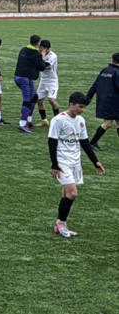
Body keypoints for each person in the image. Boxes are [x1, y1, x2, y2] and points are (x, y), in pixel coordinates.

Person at [48, 92, 105, 238]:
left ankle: (59, 225)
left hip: (75, 161)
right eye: (80, 107)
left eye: (84, 107)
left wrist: (95, 161)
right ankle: (61, 222)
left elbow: (84, 142)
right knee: (73, 193)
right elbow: (52, 142)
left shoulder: (80, 120)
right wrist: (54, 164)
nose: (82, 110)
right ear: (71, 104)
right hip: (62, 162)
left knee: (66, 193)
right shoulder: (58, 120)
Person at [14, 34, 50, 134]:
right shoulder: (36, 54)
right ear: (38, 43)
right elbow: (41, 67)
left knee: (34, 97)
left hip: (18, 76)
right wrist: (42, 56)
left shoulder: (23, 49)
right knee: (28, 100)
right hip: (26, 79)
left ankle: (28, 121)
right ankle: (22, 124)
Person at [85, 52, 119, 151]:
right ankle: (92, 143)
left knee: (112, 122)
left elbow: (95, 85)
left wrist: (88, 97)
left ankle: (92, 143)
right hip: (114, 101)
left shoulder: (105, 70)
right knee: (108, 123)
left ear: (112, 59)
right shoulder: (117, 72)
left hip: (104, 100)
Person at [37, 39, 59, 127]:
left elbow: (43, 66)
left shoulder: (52, 56)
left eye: (41, 48)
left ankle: (58, 120)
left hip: (52, 81)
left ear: (46, 48)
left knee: (52, 100)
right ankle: (44, 120)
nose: (39, 49)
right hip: (43, 80)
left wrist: (41, 56)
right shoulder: (39, 54)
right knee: (39, 100)